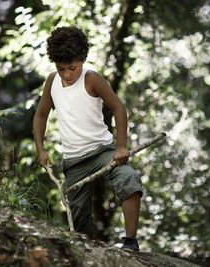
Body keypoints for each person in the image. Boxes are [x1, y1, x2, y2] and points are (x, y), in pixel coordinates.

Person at [33, 26, 143, 252]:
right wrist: (41, 150)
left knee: (128, 180)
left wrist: (121, 146)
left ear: (82, 59)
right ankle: (93, 250)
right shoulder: (52, 82)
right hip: (73, 160)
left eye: (72, 68)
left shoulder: (91, 78)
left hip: (103, 151)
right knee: (79, 219)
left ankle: (131, 242)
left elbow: (119, 109)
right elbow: (41, 115)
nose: (67, 74)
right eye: (61, 68)